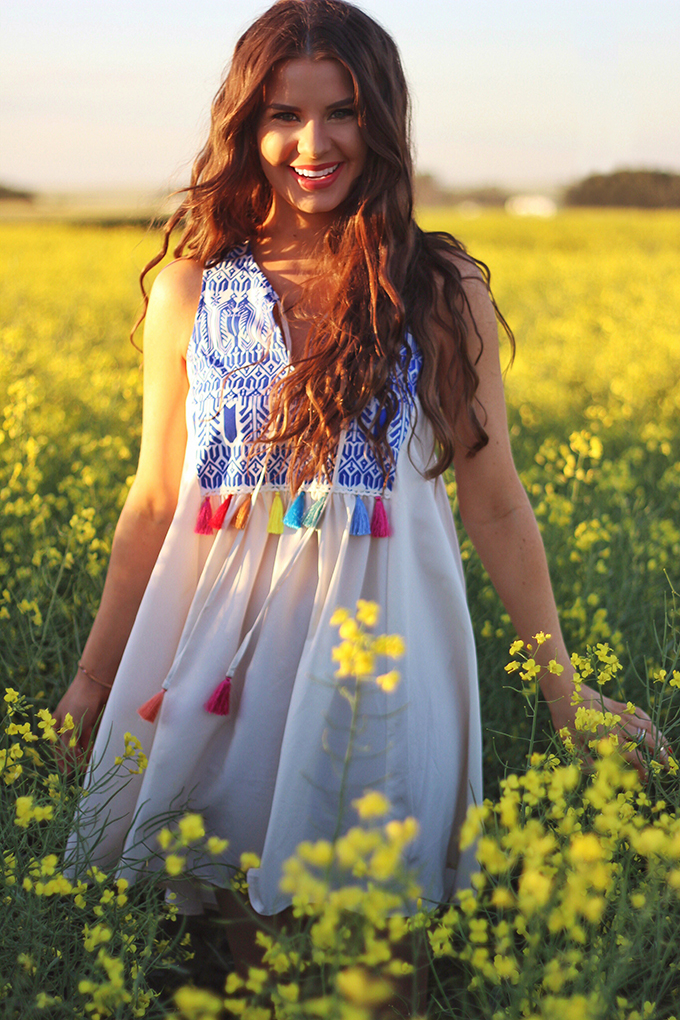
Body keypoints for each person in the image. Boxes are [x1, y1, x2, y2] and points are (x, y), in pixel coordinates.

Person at [53, 0, 664, 1005]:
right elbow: (155, 498)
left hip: (384, 668)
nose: (312, 142)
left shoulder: (434, 284)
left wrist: (566, 692)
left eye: (340, 111)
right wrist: (88, 684)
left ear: (380, 119)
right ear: (245, 126)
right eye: (282, 115)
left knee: (382, 973)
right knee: (238, 967)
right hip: (218, 670)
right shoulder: (194, 286)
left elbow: (497, 504)